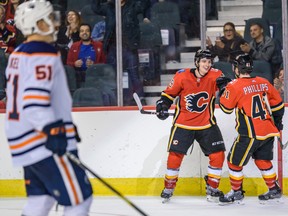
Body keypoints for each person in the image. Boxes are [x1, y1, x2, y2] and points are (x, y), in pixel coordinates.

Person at [5, 1, 93, 215]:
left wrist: (66, 126)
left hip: (25, 141)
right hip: (42, 142)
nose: (54, 23)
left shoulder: (18, 53)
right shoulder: (41, 52)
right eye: (49, 19)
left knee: (41, 200)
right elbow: (34, 101)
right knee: (79, 199)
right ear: (38, 24)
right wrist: (54, 130)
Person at [156, 49, 226, 202]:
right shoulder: (182, 75)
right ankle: (169, 187)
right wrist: (162, 106)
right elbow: (168, 95)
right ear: (196, 62)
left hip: (207, 123)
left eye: (209, 62)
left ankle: (212, 187)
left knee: (218, 154)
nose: (207, 65)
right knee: (175, 156)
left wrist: (225, 87)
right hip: (183, 124)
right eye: (203, 61)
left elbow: (227, 94)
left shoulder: (216, 75)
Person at [218, 54, 284, 204]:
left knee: (234, 162)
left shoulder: (234, 85)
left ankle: (236, 192)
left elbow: (226, 108)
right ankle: (273, 189)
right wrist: (278, 122)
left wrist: (223, 89)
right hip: (268, 130)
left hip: (250, 133)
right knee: (263, 160)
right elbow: (278, 105)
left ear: (237, 68)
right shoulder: (263, 82)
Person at [91, 0, 150, 105]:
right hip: (113, 47)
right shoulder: (109, 7)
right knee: (112, 75)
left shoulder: (133, 5)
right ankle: (114, 99)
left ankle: (141, 98)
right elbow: (96, 8)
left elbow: (143, 5)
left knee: (134, 75)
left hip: (129, 46)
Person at [67, 23, 106, 88]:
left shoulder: (99, 45)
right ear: (79, 34)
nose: (84, 33)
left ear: (90, 33)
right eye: (82, 31)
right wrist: (75, 64)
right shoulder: (74, 46)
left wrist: (94, 64)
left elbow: (105, 63)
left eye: (87, 31)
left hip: (95, 77)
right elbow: (68, 63)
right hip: (78, 78)